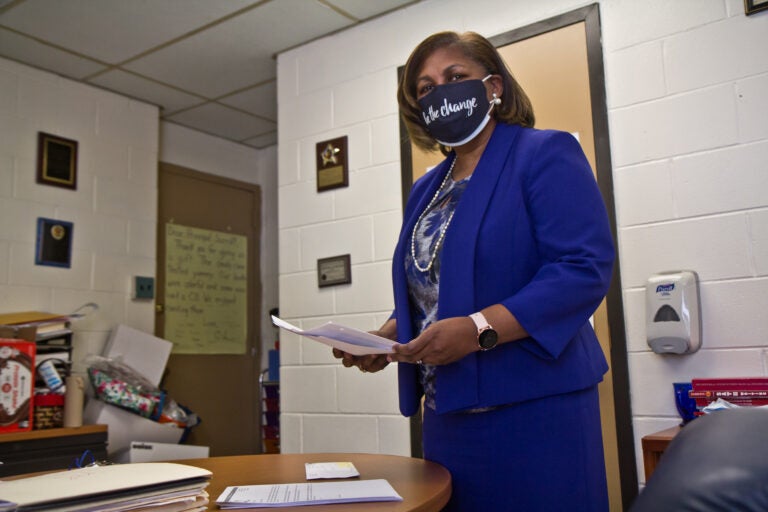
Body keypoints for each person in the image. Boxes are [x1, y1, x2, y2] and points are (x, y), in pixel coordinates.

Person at [333, 30, 614, 511]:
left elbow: (581, 268)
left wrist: (478, 330)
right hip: (448, 417)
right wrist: (390, 339)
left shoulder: (544, 153)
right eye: (424, 88)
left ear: (495, 87)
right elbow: (435, 289)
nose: (439, 92)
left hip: (535, 412)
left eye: (454, 76)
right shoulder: (426, 189)